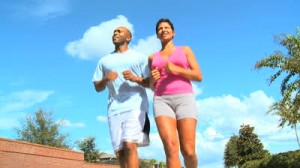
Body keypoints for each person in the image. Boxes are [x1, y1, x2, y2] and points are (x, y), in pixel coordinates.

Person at [93, 26, 150, 168]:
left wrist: (135, 78)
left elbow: (151, 84)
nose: (115, 33)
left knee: (130, 144)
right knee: (120, 153)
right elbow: (97, 88)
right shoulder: (104, 61)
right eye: (114, 32)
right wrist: (105, 79)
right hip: (114, 109)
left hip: (136, 106)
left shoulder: (140, 57)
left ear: (128, 38)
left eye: (119, 31)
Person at [149, 18, 203, 168]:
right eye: (160, 28)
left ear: (173, 33)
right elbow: (151, 86)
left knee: (188, 151)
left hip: (184, 99)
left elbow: (198, 76)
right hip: (161, 100)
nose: (163, 30)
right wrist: (152, 80)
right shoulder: (152, 58)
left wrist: (177, 69)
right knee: (171, 149)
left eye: (166, 27)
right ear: (157, 35)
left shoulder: (185, 50)